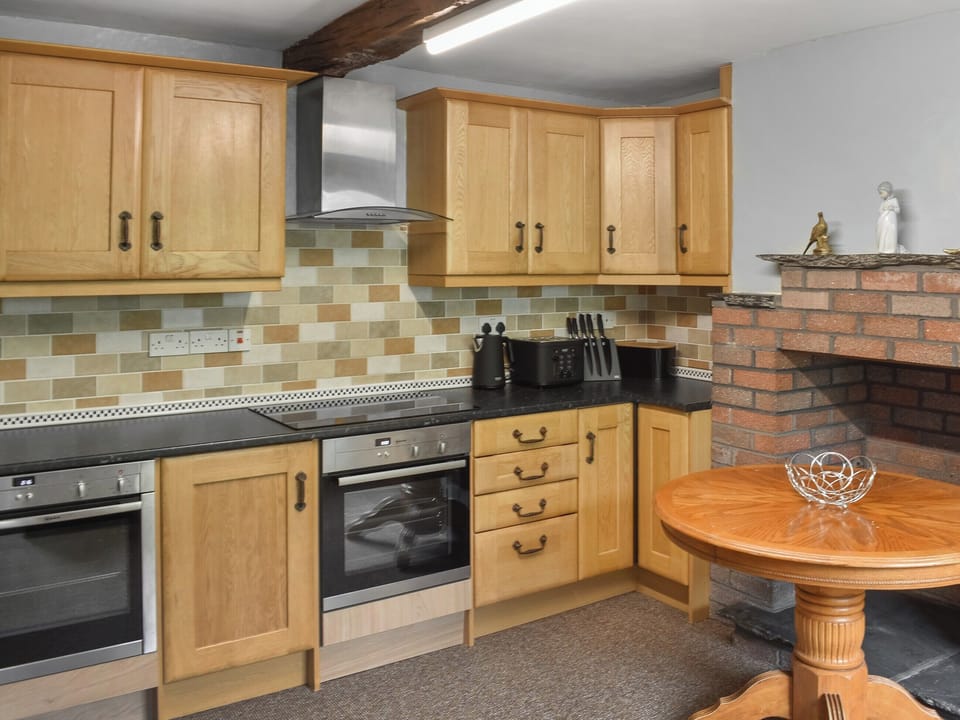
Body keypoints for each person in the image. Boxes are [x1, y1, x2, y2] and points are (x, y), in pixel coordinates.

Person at [876, 181, 900, 253]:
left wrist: (892, 208)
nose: (880, 195)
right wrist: (884, 210)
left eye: (881, 193)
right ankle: (883, 248)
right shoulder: (883, 202)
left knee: (890, 234)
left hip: (891, 221)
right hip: (883, 221)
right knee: (883, 234)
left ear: (888, 191)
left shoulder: (894, 200)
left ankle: (891, 249)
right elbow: (880, 211)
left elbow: (898, 210)